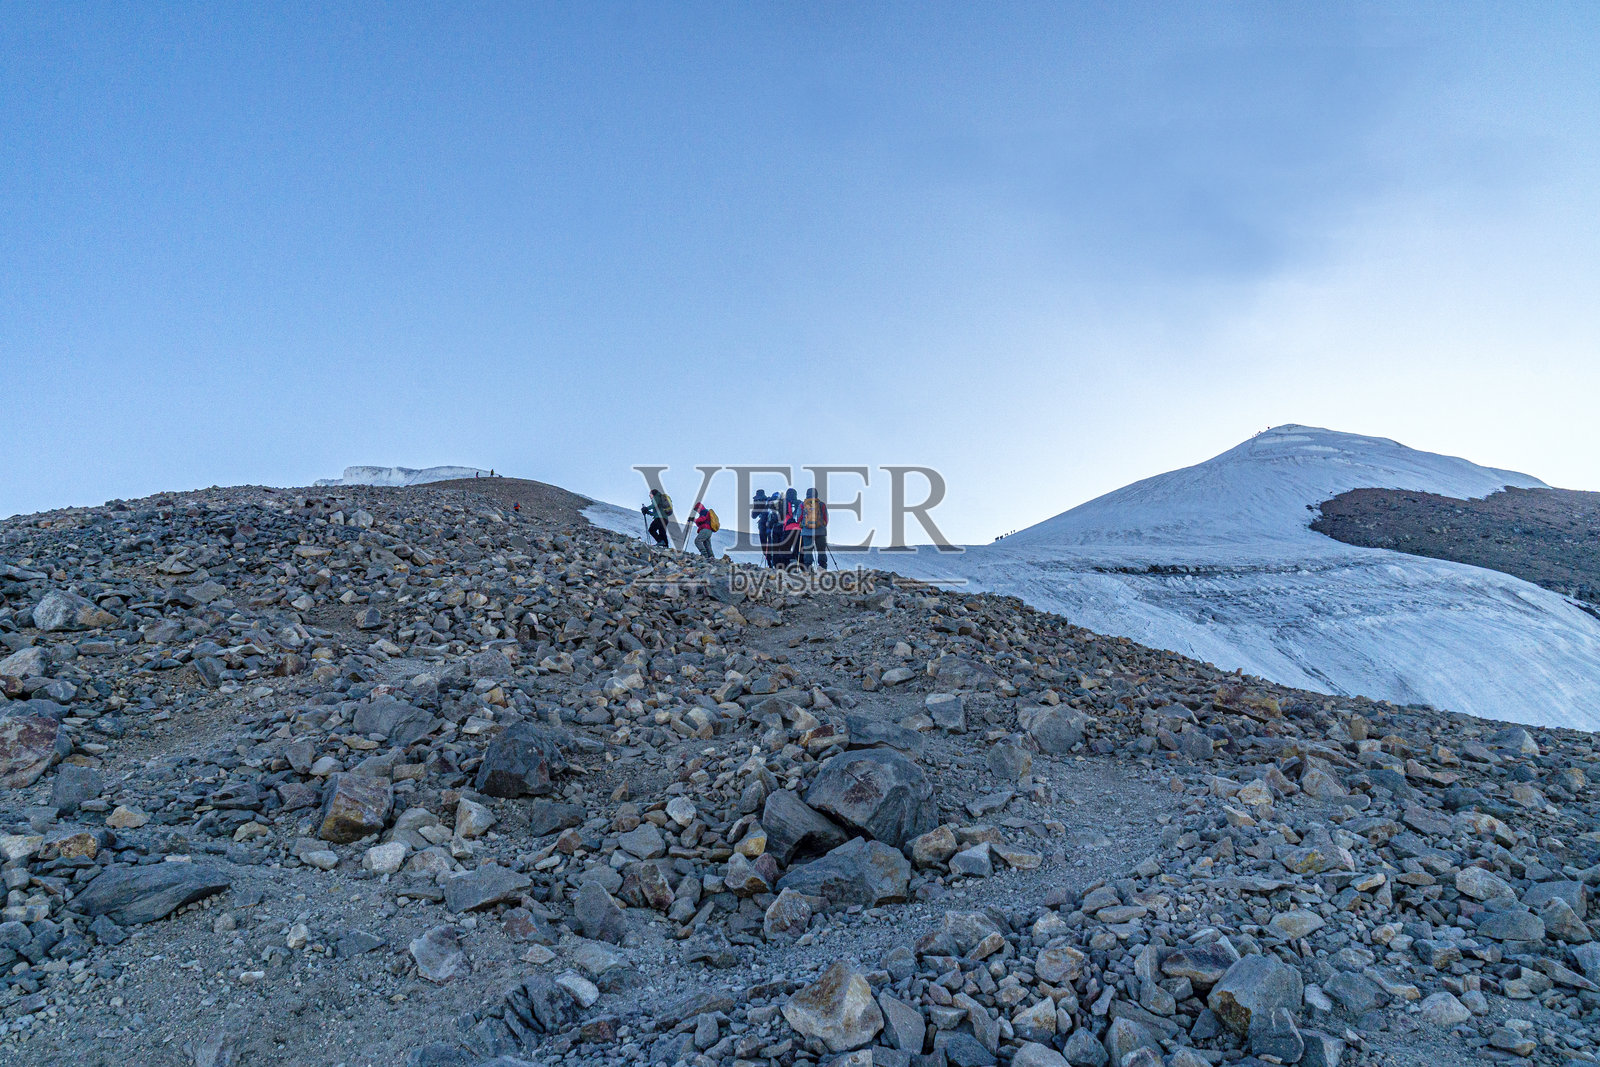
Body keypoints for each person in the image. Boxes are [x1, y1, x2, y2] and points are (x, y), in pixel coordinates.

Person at [801, 487, 828, 569]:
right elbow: (826, 518)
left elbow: (798, 517)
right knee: (821, 549)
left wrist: (801, 525)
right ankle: (822, 566)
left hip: (806, 531)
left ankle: (808, 567)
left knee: (808, 549)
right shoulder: (821, 504)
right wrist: (823, 525)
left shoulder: (802, 505)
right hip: (820, 531)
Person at [776, 488, 802, 568]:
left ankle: (786, 565)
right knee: (798, 548)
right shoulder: (800, 503)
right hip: (799, 529)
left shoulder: (784, 502)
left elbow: (780, 515)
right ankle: (798, 564)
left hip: (788, 528)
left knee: (785, 548)